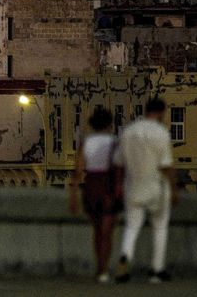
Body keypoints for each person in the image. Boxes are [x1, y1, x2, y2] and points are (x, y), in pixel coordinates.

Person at [113, 97, 177, 284]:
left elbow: (118, 163)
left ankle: (125, 259)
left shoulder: (129, 131)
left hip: (132, 186)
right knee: (159, 227)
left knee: (132, 227)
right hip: (156, 186)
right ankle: (156, 270)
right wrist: (174, 188)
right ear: (161, 112)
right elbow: (166, 165)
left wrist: (118, 186)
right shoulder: (161, 133)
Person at [68, 107, 119, 282]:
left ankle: (100, 266)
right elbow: (120, 169)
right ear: (109, 124)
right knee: (107, 231)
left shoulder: (86, 143)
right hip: (108, 188)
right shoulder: (114, 142)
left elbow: (77, 172)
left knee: (97, 231)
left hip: (91, 187)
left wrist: (73, 197)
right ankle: (104, 269)